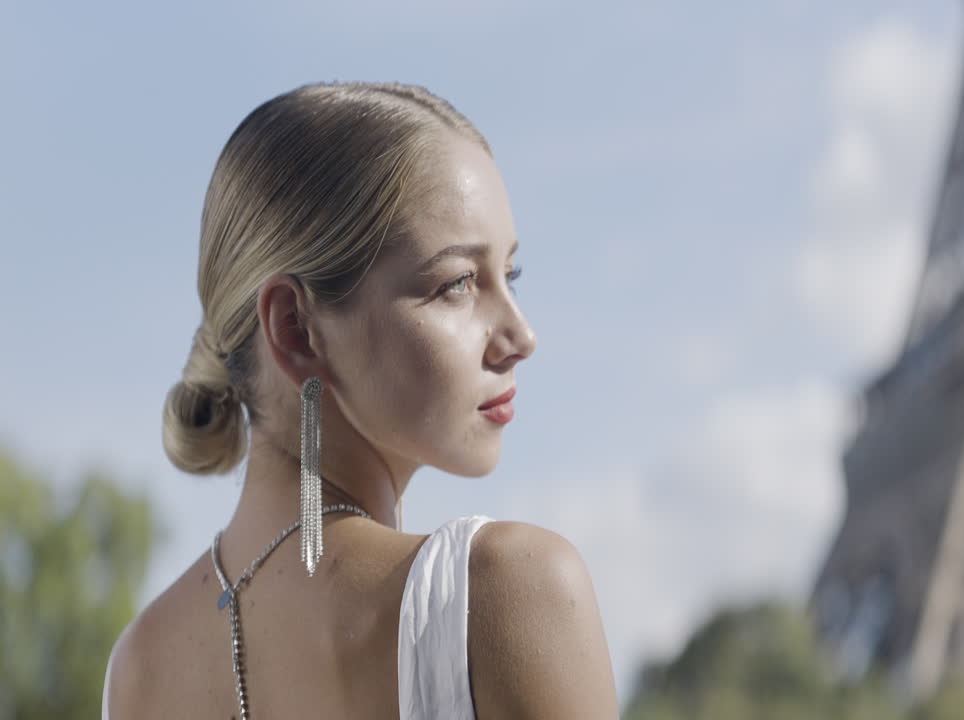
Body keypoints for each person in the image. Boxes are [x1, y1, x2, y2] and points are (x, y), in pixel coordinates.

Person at [101, 82, 619, 719]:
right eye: (458, 283)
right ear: (295, 328)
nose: (521, 336)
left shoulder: (141, 668)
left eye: (509, 275)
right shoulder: (505, 593)